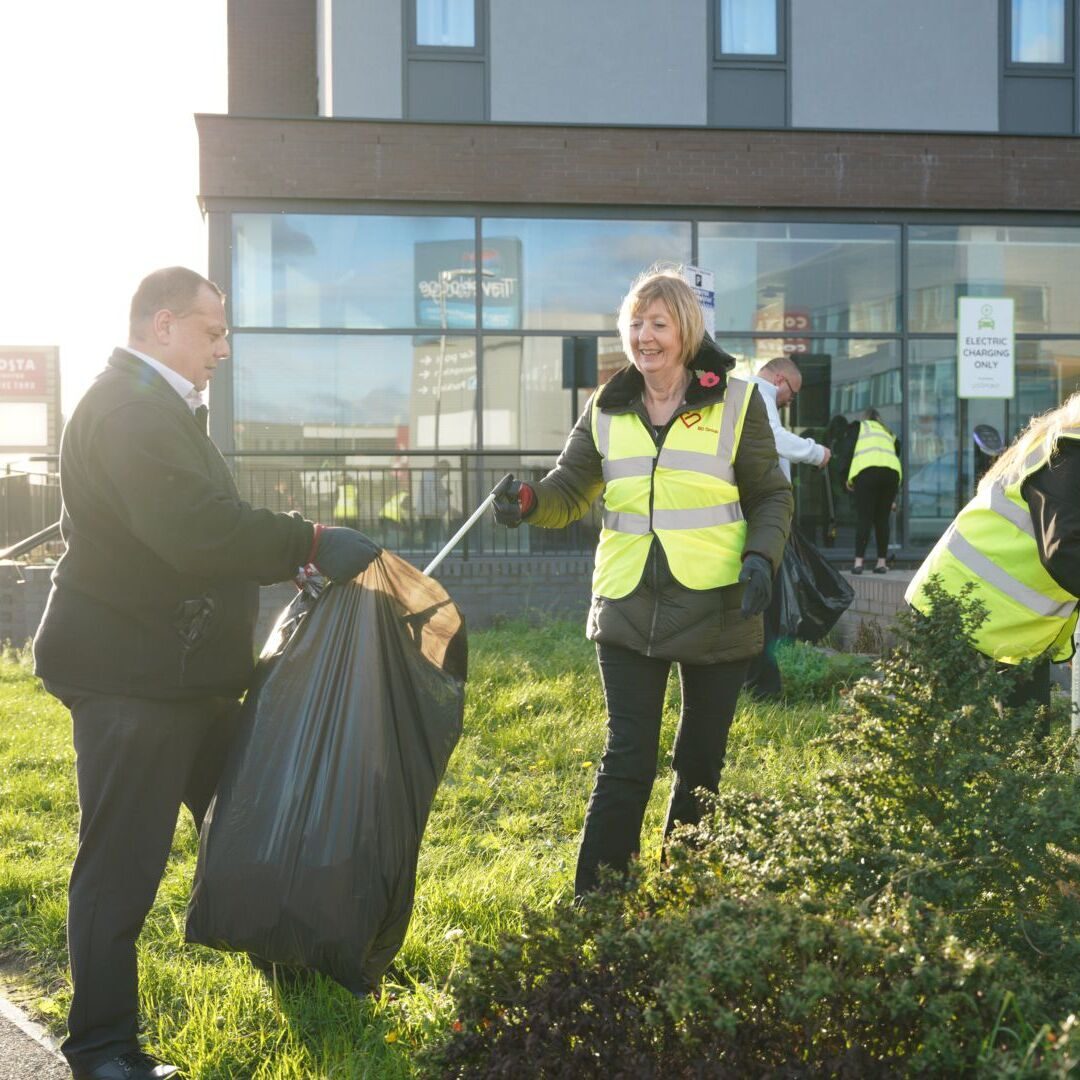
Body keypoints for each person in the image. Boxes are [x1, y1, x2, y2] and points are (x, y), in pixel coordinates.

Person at [33, 267, 382, 1080]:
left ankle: (288, 963)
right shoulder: (127, 409)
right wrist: (307, 540)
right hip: (132, 679)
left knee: (253, 822)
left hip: (182, 675)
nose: (224, 348)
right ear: (161, 325)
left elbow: (172, 531)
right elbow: (191, 529)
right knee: (122, 866)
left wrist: (285, 562)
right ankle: (103, 1050)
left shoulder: (156, 407)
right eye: (211, 331)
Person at [492, 267, 792, 898]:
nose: (644, 336)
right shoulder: (605, 406)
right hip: (627, 599)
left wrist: (761, 560)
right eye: (634, 323)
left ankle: (682, 895)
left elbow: (771, 494)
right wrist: (526, 501)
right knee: (628, 756)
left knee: (700, 764)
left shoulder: (736, 402)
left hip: (720, 599)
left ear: (685, 330)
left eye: (658, 323)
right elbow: (568, 491)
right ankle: (599, 901)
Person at [906, 393, 1080, 711]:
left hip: (1008, 625)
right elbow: (1065, 550)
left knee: (1021, 742)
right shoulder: (1070, 454)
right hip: (958, 608)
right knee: (947, 739)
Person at [744, 356, 831, 699]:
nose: (790, 401)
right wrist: (816, 452)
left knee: (767, 603)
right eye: (791, 393)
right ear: (780, 378)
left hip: (767, 514)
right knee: (764, 605)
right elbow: (774, 439)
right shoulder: (756, 392)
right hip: (763, 516)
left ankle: (760, 684)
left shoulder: (756, 394)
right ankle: (762, 687)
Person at [846, 407, 901, 574]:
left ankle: (858, 563)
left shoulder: (860, 428)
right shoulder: (888, 432)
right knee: (882, 519)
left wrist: (848, 478)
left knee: (865, 517)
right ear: (879, 419)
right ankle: (881, 563)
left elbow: (849, 451)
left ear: (865, 418)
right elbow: (897, 449)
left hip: (867, 473)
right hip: (891, 474)